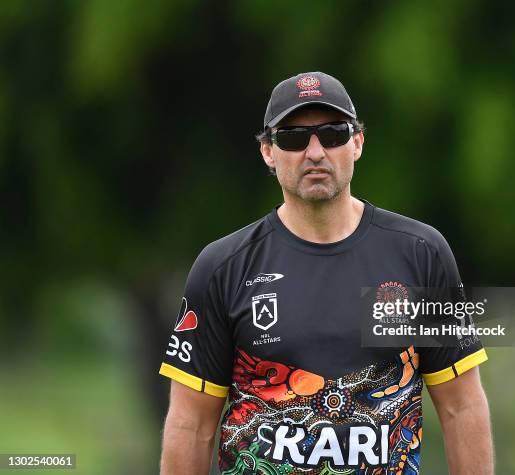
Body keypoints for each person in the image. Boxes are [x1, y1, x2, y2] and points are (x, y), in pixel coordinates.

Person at [159, 72, 493, 475]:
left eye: (333, 134)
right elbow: (190, 425)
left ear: (357, 142)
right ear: (268, 151)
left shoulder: (419, 255)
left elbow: (462, 407)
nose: (315, 152)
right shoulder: (222, 268)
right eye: (293, 138)